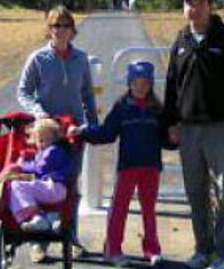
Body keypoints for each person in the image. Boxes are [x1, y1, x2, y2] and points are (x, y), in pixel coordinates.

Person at [161, 0, 224, 269]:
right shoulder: (181, 41)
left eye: (199, 2)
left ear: (210, 6)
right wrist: (171, 122)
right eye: (189, 3)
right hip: (188, 130)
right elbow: (172, 86)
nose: (194, 8)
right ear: (184, 7)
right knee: (196, 193)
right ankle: (203, 250)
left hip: (221, 129)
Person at [70, 61, 172, 267]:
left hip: (151, 166)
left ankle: (152, 249)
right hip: (128, 166)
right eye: (136, 82)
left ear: (151, 83)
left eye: (145, 82)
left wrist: (175, 139)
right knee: (119, 208)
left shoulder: (158, 109)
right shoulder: (122, 107)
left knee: (149, 209)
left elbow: (165, 139)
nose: (140, 87)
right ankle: (113, 249)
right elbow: (107, 133)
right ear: (129, 83)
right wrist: (84, 132)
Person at [17, 5, 98, 261]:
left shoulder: (81, 59)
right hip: (47, 134)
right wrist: (38, 111)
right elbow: (24, 92)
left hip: (72, 132)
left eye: (65, 25)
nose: (60, 31)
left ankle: (70, 237)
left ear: (72, 30)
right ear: (48, 30)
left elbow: (86, 94)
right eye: (55, 26)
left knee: (70, 188)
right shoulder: (38, 59)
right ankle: (38, 243)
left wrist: (92, 126)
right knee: (42, 184)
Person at [8, 118, 74, 232]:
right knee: (23, 186)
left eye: (45, 140)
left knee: (17, 186)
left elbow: (40, 167)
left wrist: (21, 166)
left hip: (54, 187)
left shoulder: (53, 150)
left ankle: (36, 217)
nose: (41, 144)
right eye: (40, 140)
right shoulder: (57, 149)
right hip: (56, 188)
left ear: (54, 138)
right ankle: (50, 217)